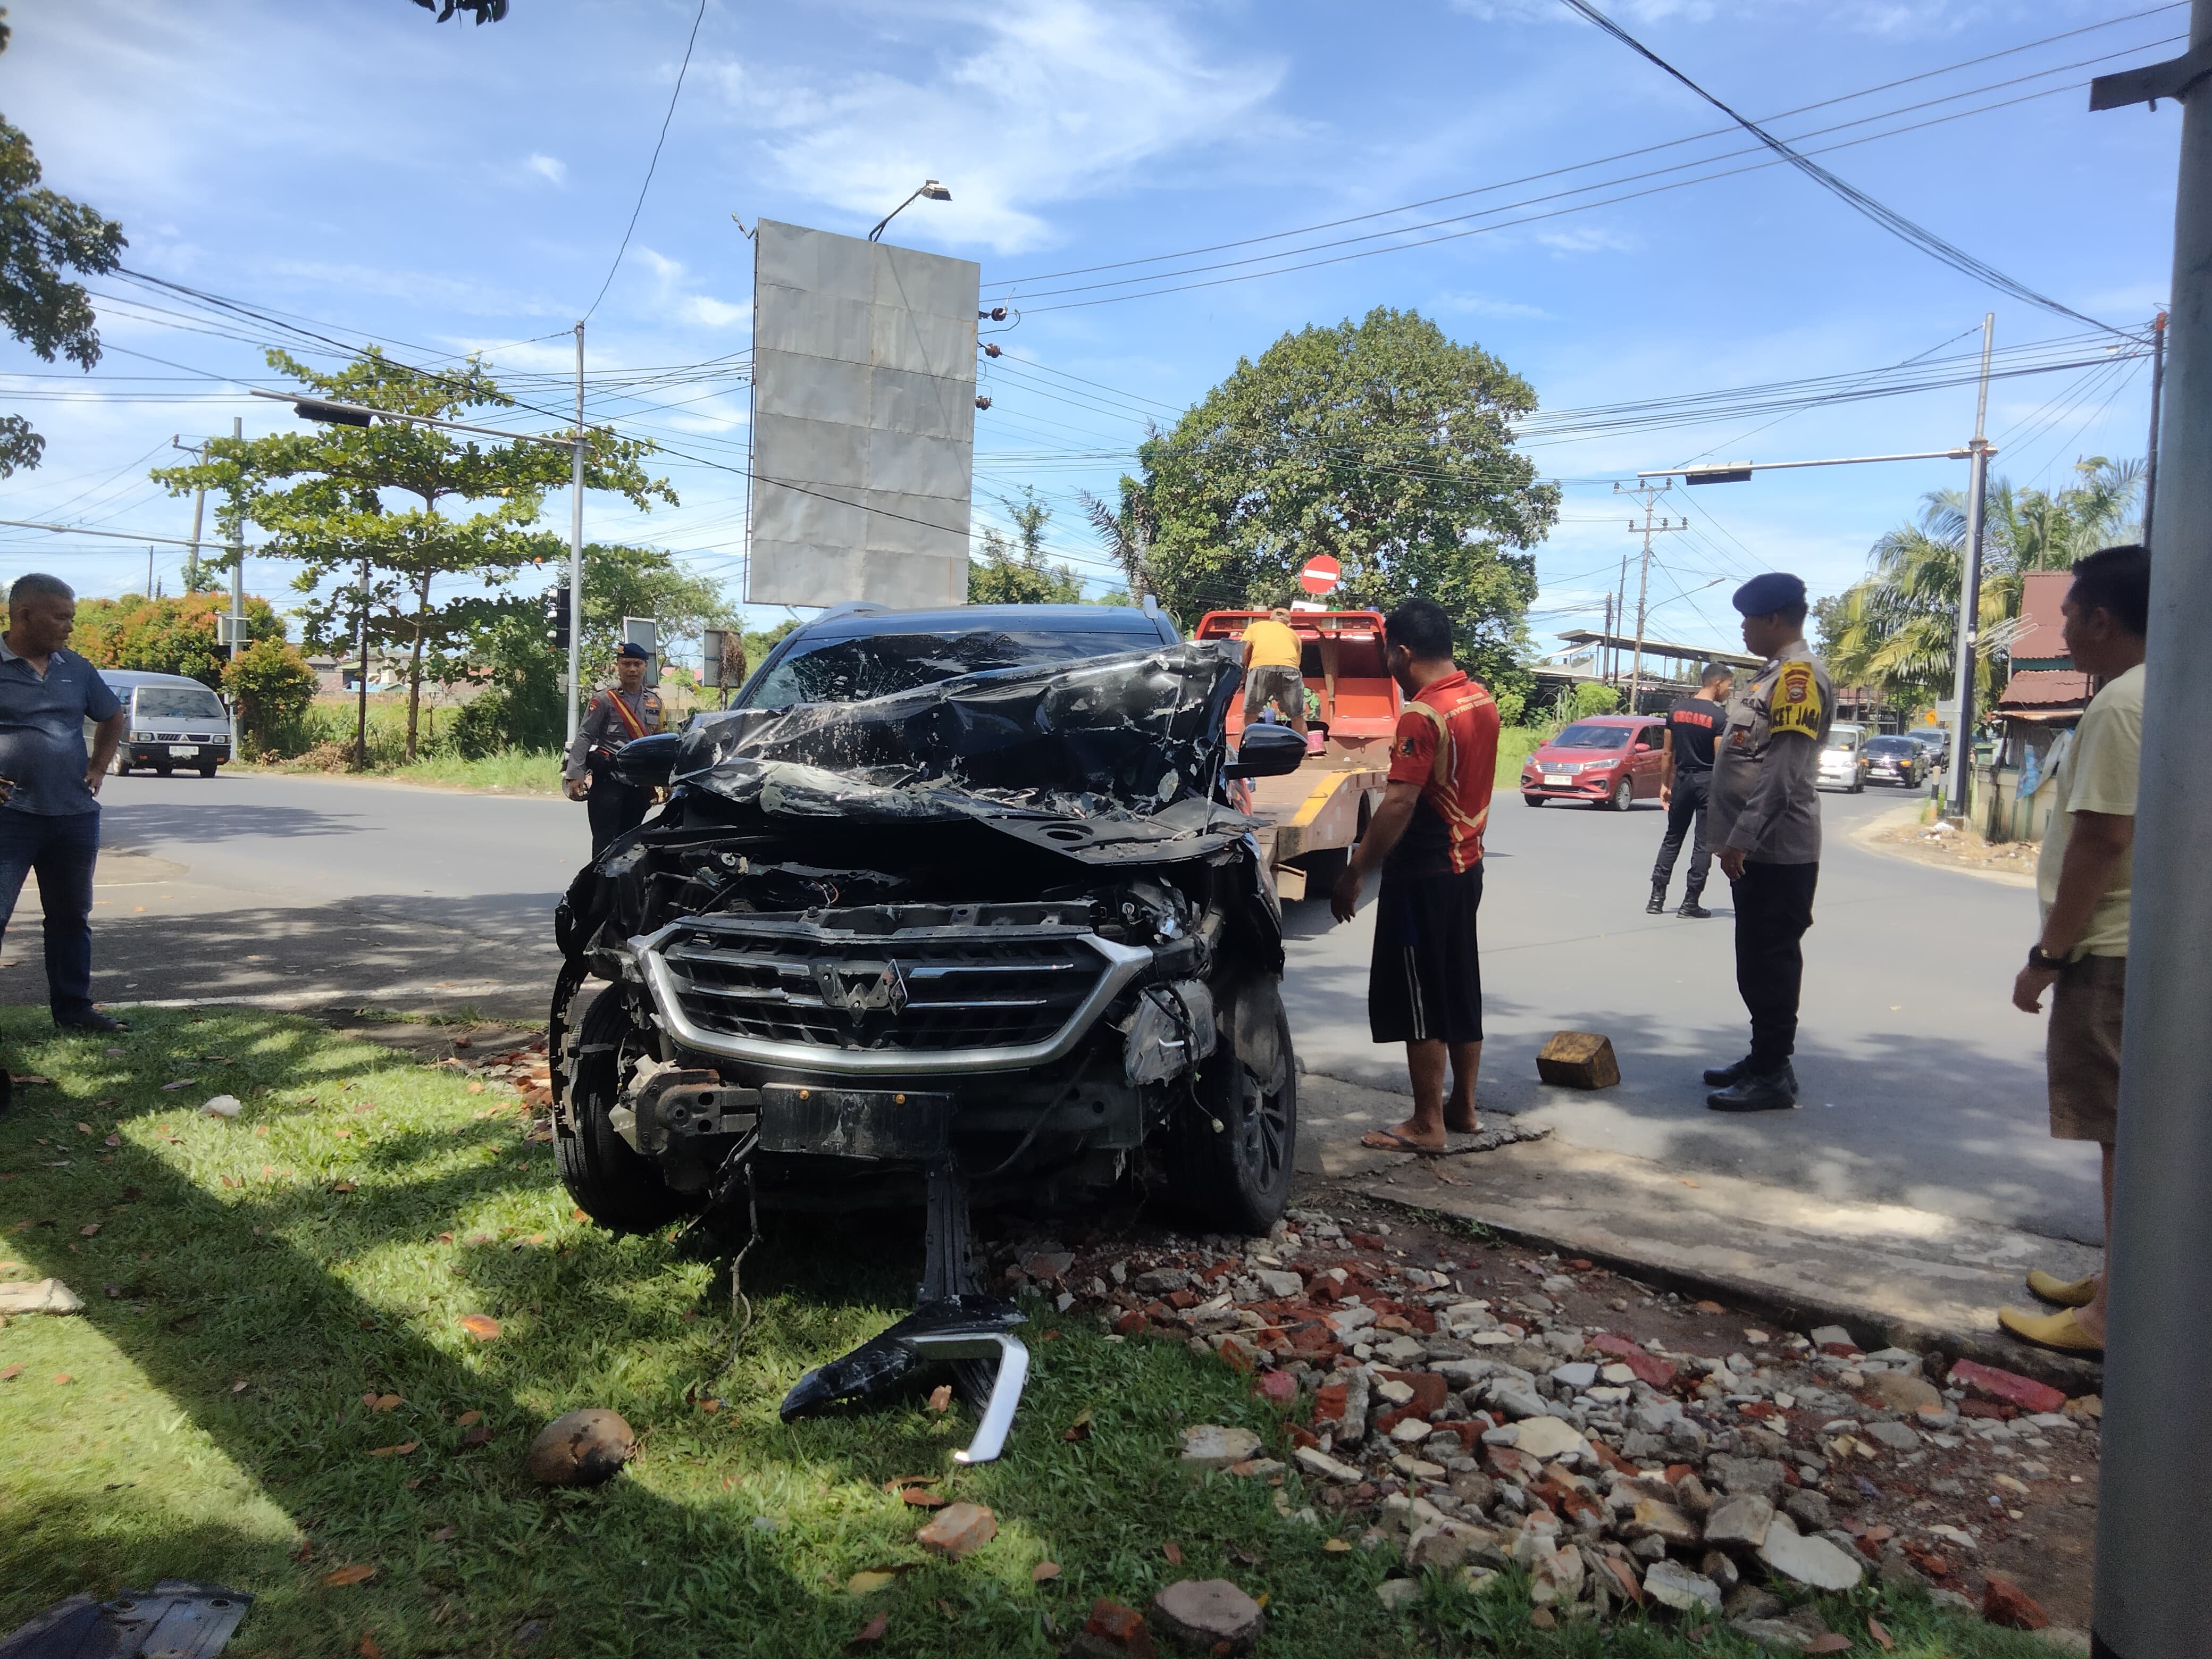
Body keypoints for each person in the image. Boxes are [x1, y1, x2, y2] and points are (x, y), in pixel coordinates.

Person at [1998, 544, 2149, 1358]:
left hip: (2111, 951)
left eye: (2068, 616)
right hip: (2136, 947)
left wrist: (2048, 958)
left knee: (2121, 1131)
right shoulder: (2159, 691)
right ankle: (2121, 1280)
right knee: (2130, 1131)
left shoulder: (2122, 704)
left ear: (2101, 618)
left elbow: (2100, 841)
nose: (2063, 633)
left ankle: (2106, 1320)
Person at [1329, 598, 1499, 1153]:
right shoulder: (1480, 700)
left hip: (1423, 873)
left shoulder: (1422, 715)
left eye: (1388, 657)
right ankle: (1463, 1109)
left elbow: (1398, 803)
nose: (1388, 668)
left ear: (1403, 652)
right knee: (1458, 985)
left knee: (1420, 996)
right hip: (1465, 865)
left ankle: (1427, 1125)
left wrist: (1355, 870)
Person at [0, 574, 131, 1108]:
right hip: (10, 820)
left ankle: (74, 1009)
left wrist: (99, 766)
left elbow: (112, 714)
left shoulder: (76, 668)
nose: (69, 626)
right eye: (60, 617)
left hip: (73, 817)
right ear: (24, 615)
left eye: (72, 617)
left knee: (71, 918)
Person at [1703, 573, 1832, 1112]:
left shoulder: (1797, 678)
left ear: (1773, 620)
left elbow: (1782, 773)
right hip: (1757, 849)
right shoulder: (1772, 676)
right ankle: (1762, 1059)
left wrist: (1740, 840)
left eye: (1748, 619)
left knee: (1770, 961)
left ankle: (1772, 1071)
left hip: (1775, 849)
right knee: (1753, 959)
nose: (1742, 628)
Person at [1648, 661, 1733, 918]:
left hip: (1683, 780)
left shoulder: (1676, 711)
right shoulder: (1719, 717)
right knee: (1703, 844)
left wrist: (1665, 784)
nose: (1729, 691)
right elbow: (1720, 761)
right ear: (1717, 683)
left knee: (1672, 838)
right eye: (1729, 686)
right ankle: (1690, 903)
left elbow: (1667, 752)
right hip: (1708, 783)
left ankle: (1656, 898)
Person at [563, 643, 664, 857]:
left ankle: (622, 889)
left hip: (639, 782)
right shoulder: (604, 700)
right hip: (609, 780)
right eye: (626, 664)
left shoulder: (655, 702)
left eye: (638, 664)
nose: (632, 669)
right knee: (604, 843)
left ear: (646, 667)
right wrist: (575, 774)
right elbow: (585, 735)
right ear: (618, 666)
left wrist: (666, 779)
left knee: (629, 842)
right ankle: (597, 888)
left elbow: (660, 740)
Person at [1241, 606, 1308, 736]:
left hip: (1260, 667)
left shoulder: (1256, 627)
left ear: (1271, 619)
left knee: (1250, 715)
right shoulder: (1294, 635)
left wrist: (1243, 675)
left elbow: (1244, 649)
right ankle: (1303, 755)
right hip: (1289, 669)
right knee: (1297, 717)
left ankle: (1241, 753)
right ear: (1289, 623)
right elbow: (1297, 663)